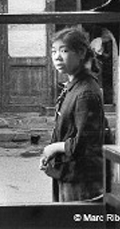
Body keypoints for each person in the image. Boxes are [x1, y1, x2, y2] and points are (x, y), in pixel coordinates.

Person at [39, 27, 106, 202]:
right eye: (54, 51)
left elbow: (83, 144)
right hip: (68, 173)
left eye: (64, 50)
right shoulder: (73, 87)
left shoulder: (86, 93)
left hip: (81, 180)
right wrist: (50, 157)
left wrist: (52, 148)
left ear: (81, 52)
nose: (56, 57)